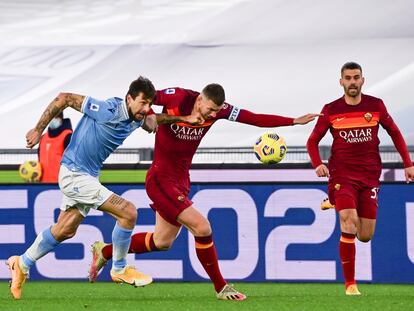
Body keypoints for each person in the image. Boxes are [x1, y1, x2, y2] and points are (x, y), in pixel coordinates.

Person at [89, 83, 321, 300]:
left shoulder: (219, 110)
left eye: (216, 111)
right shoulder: (177, 97)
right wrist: (151, 117)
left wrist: (293, 121)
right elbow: (144, 100)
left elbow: (254, 118)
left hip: (180, 181)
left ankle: (106, 251)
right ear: (200, 99)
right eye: (210, 109)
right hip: (160, 178)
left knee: (162, 241)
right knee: (202, 227)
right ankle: (221, 287)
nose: (212, 115)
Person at [6, 76, 200, 300]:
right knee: (128, 212)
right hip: (74, 175)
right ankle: (118, 268)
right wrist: (38, 130)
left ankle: (21, 263)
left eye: (149, 104)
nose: (147, 108)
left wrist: (184, 118)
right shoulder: (107, 109)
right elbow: (64, 98)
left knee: (65, 229)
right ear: (129, 98)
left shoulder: (138, 117)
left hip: (87, 176)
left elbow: (157, 118)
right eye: (143, 103)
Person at [306, 62, 414, 295]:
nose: (352, 82)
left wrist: (408, 163)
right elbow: (312, 140)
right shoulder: (331, 109)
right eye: (348, 78)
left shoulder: (375, 106)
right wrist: (318, 164)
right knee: (348, 220)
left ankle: (335, 200)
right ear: (341, 82)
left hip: (369, 175)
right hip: (342, 175)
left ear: (362, 80)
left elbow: (394, 132)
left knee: (365, 235)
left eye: (356, 78)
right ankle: (350, 284)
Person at [38, 112, 73, 182]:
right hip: (43, 185)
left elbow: (74, 163)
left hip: (62, 186)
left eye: (54, 117)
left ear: (60, 118)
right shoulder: (43, 138)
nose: (51, 120)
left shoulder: (68, 136)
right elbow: (40, 161)